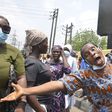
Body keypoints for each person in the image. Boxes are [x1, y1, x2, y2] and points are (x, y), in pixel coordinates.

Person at [1, 43, 112, 112]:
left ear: (99, 49)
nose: (92, 53)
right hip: (53, 96)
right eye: (87, 55)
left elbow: (67, 70)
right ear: (86, 61)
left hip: (60, 98)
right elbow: (58, 84)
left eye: (93, 49)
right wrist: (25, 91)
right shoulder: (85, 75)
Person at [0, 15, 27, 112]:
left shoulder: (14, 52)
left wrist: (21, 103)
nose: (0, 30)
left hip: (3, 103)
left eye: (5, 28)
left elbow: (21, 77)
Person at [23, 29, 54, 112]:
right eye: (46, 43)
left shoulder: (37, 61)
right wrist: (41, 110)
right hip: (36, 107)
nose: (48, 45)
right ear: (39, 45)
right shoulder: (32, 62)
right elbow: (28, 91)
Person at [46, 45, 71, 112]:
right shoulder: (47, 63)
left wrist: (63, 56)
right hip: (48, 91)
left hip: (58, 93)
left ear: (60, 53)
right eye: (54, 52)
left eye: (58, 52)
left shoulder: (62, 64)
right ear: (51, 52)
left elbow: (68, 71)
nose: (56, 53)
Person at [63, 44, 79, 112]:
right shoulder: (60, 58)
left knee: (67, 104)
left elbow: (75, 73)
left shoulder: (73, 59)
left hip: (68, 84)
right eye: (64, 49)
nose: (65, 51)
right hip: (59, 83)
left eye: (67, 50)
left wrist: (73, 88)